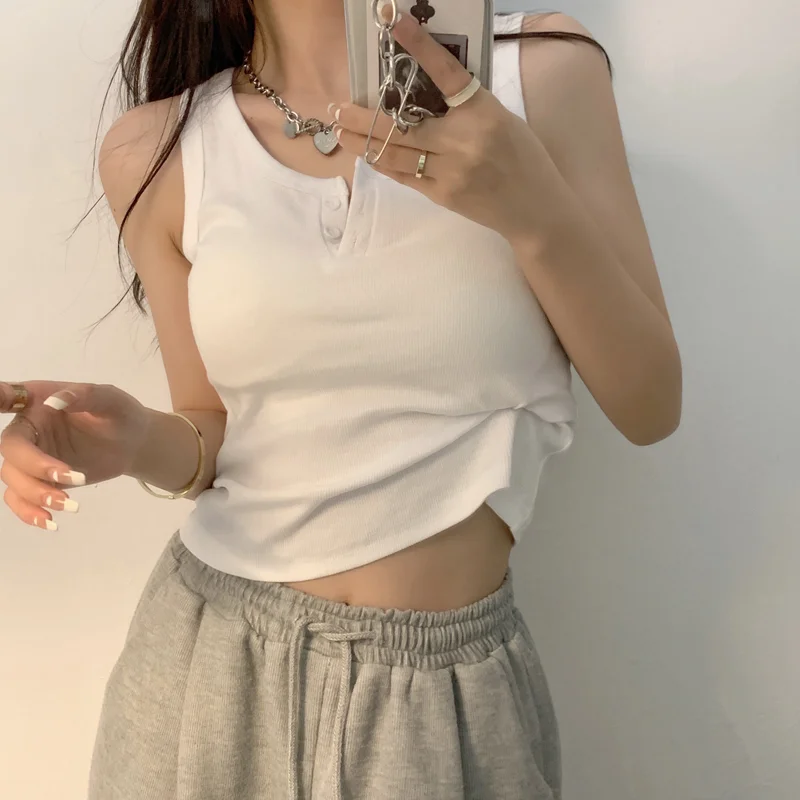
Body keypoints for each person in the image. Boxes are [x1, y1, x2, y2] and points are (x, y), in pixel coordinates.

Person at [0, 2, 682, 798]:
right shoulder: (156, 146)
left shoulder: (542, 73)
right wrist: (134, 440)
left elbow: (650, 407)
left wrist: (529, 206)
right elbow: (212, 428)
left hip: (438, 698)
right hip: (203, 673)